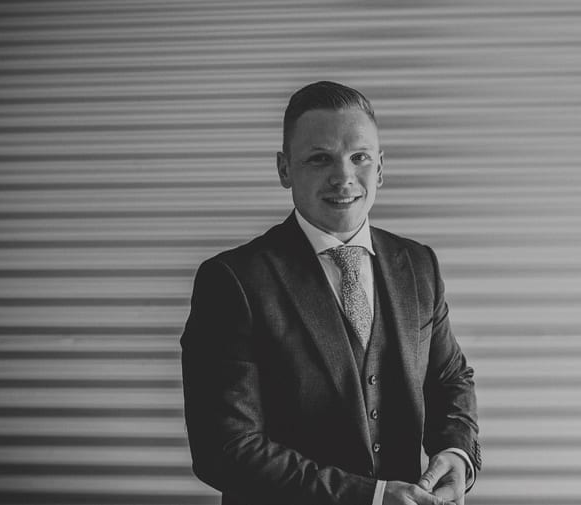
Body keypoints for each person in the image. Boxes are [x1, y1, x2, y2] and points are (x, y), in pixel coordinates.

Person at [180, 81, 481, 505]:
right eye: (320, 158)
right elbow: (224, 448)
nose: (343, 177)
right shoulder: (231, 281)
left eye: (359, 157)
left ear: (380, 167)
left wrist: (455, 453)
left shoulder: (418, 265)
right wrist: (371, 497)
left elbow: (450, 377)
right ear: (284, 169)